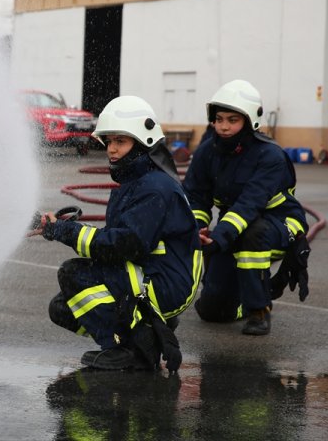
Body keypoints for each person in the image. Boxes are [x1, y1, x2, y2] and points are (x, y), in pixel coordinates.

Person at [36, 96, 203, 372]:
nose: (111, 149)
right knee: (62, 308)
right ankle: (147, 330)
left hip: (165, 281)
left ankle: (132, 349)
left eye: (120, 141)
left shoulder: (154, 188)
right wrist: (55, 227)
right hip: (150, 271)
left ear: (142, 143)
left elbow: (125, 245)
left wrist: (64, 231)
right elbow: (117, 239)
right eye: (109, 141)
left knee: (72, 273)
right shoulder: (136, 182)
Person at [182, 80, 311, 336]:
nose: (224, 126)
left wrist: (218, 239)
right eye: (219, 119)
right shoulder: (207, 152)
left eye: (233, 120)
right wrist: (198, 229)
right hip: (234, 226)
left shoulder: (270, 156)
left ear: (250, 121)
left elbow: (250, 204)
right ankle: (239, 301)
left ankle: (259, 310)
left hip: (279, 224)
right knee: (212, 312)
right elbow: (195, 196)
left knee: (253, 234)